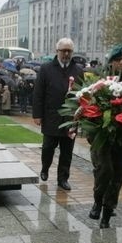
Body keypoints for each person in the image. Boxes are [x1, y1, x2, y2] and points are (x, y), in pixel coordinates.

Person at [88, 43, 122, 228]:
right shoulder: (100, 81)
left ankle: (107, 212)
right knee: (104, 170)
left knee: (118, 174)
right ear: (112, 62)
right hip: (103, 137)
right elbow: (89, 105)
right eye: (119, 60)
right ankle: (98, 201)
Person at [32, 37, 83, 190]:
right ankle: (45, 168)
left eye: (69, 51)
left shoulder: (78, 70)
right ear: (57, 51)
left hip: (70, 118)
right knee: (48, 147)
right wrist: (37, 114)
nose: (66, 54)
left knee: (67, 151)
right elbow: (38, 93)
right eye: (63, 51)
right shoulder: (46, 69)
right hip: (51, 116)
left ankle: (63, 178)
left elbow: (83, 94)